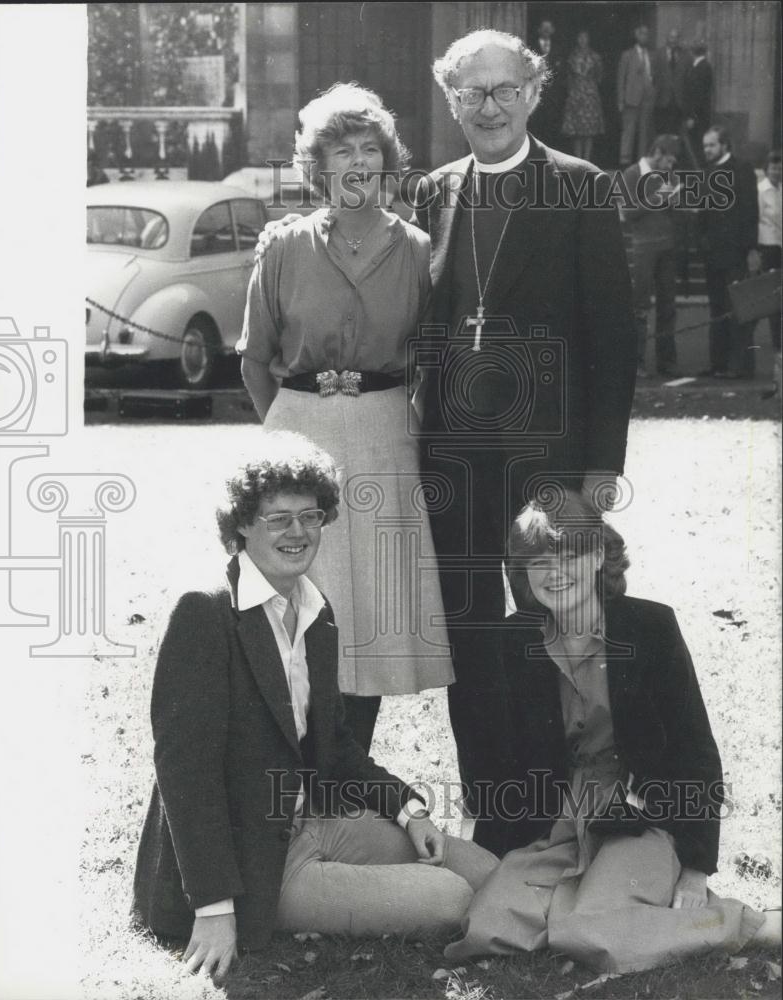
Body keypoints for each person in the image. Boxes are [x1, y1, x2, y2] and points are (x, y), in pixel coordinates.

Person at [131, 432, 497, 985]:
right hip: (253, 863)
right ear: (241, 526)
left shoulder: (315, 610)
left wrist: (407, 810)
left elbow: (336, 747)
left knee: (481, 868)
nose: (297, 532)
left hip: (309, 823)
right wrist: (213, 907)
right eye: (278, 519)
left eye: (310, 515)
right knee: (450, 898)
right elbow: (186, 774)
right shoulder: (205, 612)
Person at [415, 28, 635, 817]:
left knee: (557, 619)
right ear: (449, 99)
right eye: (470, 92)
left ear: (534, 93)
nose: (489, 106)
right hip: (455, 459)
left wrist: (601, 464)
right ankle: (492, 804)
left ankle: (563, 798)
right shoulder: (434, 190)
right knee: (469, 631)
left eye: (505, 90)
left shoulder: (580, 186)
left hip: (549, 457)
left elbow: (613, 335)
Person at [443, 494, 782, 973]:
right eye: (538, 561)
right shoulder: (510, 639)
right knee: (488, 927)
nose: (553, 573)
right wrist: (486, 845)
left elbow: (694, 749)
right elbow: (490, 760)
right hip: (555, 824)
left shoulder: (651, 626)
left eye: (569, 556)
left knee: (596, 935)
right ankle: (603, 908)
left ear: (600, 554)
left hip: (639, 817)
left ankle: (752, 923)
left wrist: (694, 868)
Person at [237, 84, 454, 754]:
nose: (356, 164)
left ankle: (349, 773)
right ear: (317, 168)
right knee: (296, 600)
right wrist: (286, 432)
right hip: (301, 433)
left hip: (387, 435)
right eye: (340, 152)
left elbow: (434, 358)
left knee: (371, 613)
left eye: (369, 150)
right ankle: (292, 770)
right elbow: (254, 360)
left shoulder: (420, 252)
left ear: (388, 167)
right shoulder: (283, 247)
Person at [698, 125, 759, 379]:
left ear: (724, 145)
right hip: (713, 254)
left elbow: (749, 210)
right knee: (716, 309)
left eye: (711, 145)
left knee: (737, 309)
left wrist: (750, 248)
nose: (707, 150)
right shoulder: (705, 173)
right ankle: (718, 363)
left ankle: (740, 365)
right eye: (704, 146)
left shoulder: (742, 169)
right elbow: (702, 214)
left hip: (735, 251)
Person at [622, 134, 681, 377]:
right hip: (643, 246)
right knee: (640, 305)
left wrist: (677, 202)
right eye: (668, 160)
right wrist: (658, 198)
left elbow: (673, 213)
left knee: (668, 305)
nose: (671, 166)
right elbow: (627, 212)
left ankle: (667, 362)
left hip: (667, 245)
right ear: (657, 152)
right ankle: (636, 362)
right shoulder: (632, 174)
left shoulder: (671, 176)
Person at [748, 149, 782, 396]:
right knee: (768, 304)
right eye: (774, 167)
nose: (777, 171)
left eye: (780, 167)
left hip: (780, 247)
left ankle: (778, 360)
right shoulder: (760, 192)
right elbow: (757, 219)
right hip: (767, 247)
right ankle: (746, 353)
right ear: (766, 168)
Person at [560, 29, 605, 162]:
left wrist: (590, 85)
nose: (582, 40)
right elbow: (567, 76)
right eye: (580, 38)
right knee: (577, 131)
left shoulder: (595, 57)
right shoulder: (572, 56)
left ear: (588, 39)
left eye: (585, 37)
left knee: (589, 130)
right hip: (576, 94)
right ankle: (578, 159)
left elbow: (600, 75)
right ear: (577, 39)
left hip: (590, 95)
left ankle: (587, 159)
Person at [617, 25, 656, 167]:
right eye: (642, 34)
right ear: (636, 36)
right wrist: (620, 100)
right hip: (631, 99)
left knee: (644, 133)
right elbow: (621, 78)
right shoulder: (627, 55)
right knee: (629, 132)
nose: (644, 37)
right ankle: (625, 162)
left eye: (646, 34)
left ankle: (642, 162)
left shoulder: (651, 55)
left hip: (647, 99)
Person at [529, 20, 565, 149]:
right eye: (544, 28)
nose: (546, 30)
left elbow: (562, 71)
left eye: (549, 28)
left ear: (553, 31)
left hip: (554, 93)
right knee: (537, 122)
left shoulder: (558, 47)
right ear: (539, 30)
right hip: (537, 91)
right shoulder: (531, 46)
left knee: (553, 123)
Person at [652, 28, 691, 136]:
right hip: (661, 101)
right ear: (667, 38)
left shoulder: (686, 56)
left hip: (678, 102)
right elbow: (653, 77)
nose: (674, 40)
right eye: (671, 37)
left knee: (676, 134)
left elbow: (688, 80)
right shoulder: (658, 54)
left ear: (679, 39)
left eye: (676, 37)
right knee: (661, 133)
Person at [682, 42, 713, 164]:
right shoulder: (699, 66)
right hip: (698, 113)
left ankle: (699, 167)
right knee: (696, 141)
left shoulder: (703, 67)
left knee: (698, 141)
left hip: (698, 114)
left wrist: (692, 116)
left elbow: (698, 95)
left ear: (692, 52)